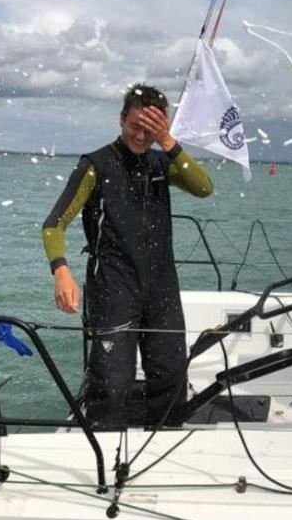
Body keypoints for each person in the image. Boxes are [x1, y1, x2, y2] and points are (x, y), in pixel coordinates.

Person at [42, 83, 213, 429]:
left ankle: (164, 439)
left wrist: (167, 142)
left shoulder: (160, 162)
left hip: (161, 287)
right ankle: (103, 453)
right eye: (135, 125)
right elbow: (53, 226)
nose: (140, 135)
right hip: (113, 287)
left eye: (149, 128)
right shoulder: (95, 165)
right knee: (111, 381)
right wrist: (61, 271)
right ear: (121, 120)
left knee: (170, 374)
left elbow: (204, 187)